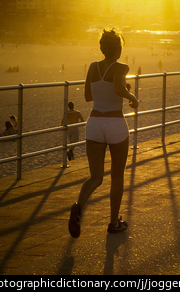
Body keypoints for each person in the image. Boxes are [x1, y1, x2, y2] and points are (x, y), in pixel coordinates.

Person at [68, 28, 139, 238]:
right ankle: (114, 223)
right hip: (115, 124)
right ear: (118, 49)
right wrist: (132, 97)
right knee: (117, 176)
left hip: (95, 123)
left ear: (102, 48)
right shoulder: (121, 66)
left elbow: (88, 96)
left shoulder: (92, 67)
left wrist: (110, 90)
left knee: (95, 177)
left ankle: (78, 206)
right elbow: (118, 89)